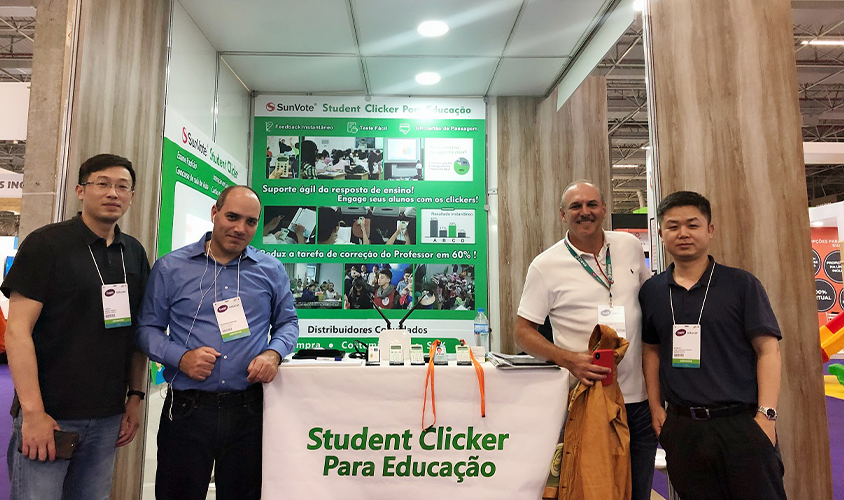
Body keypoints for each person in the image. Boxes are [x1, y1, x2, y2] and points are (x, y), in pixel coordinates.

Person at [136, 185, 299, 500]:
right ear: (214, 213)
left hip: (249, 411)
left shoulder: (271, 270)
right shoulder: (171, 267)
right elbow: (146, 329)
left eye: (251, 222)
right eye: (232, 217)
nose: (240, 228)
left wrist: (274, 353)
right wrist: (180, 357)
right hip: (187, 411)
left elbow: (288, 323)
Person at [2, 154, 150, 500]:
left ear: (131, 196)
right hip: (51, 415)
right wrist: (33, 413)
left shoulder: (133, 252)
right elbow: (17, 331)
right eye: (103, 184)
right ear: (81, 191)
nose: (113, 193)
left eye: (122, 187)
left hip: (108, 418)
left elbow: (136, 334)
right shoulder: (46, 245)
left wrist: (135, 397)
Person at [514, 181, 656, 500]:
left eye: (592, 204)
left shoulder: (629, 246)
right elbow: (522, 333)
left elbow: (649, 302)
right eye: (575, 206)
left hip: (637, 401)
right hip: (588, 399)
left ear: (604, 209)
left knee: (638, 491)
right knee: (591, 491)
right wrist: (568, 359)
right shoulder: (545, 265)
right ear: (563, 215)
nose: (585, 212)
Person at [640, 191, 785, 500]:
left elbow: (768, 350)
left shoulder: (741, 284)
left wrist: (766, 415)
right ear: (661, 233)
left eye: (692, 225)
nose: (683, 233)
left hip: (741, 423)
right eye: (673, 226)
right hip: (683, 428)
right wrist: (655, 407)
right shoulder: (652, 291)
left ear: (710, 230)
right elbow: (651, 349)